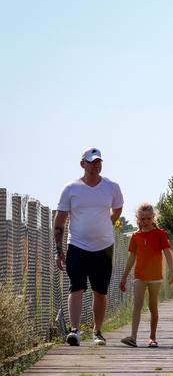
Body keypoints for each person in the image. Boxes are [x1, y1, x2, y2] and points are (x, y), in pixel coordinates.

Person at [54, 147, 124, 346]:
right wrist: (58, 251)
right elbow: (59, 220)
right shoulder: (71, 189)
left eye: (98, 162)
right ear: (82, 164)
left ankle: (97, 331)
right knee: (76, 287)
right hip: (77, 245)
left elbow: (118, 208)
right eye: (91, 162)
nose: (95, 165)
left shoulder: (111, 187)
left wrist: (107, 221)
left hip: (104, 247)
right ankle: (74, 330)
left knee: (100, 291)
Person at [118, 203, 173, 348]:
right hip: (140, 276)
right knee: (137, 305)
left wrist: (171, 271)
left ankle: (152, 337)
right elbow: (131, 258)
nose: (146, 221)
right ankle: (133, 337)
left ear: (153, 218)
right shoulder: (135, 236)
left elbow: (167, 253)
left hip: (155, 276)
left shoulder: (160, 233)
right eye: (142, 219)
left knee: (153, 306)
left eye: (148, 218)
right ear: (138, 219)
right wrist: (124, 276)